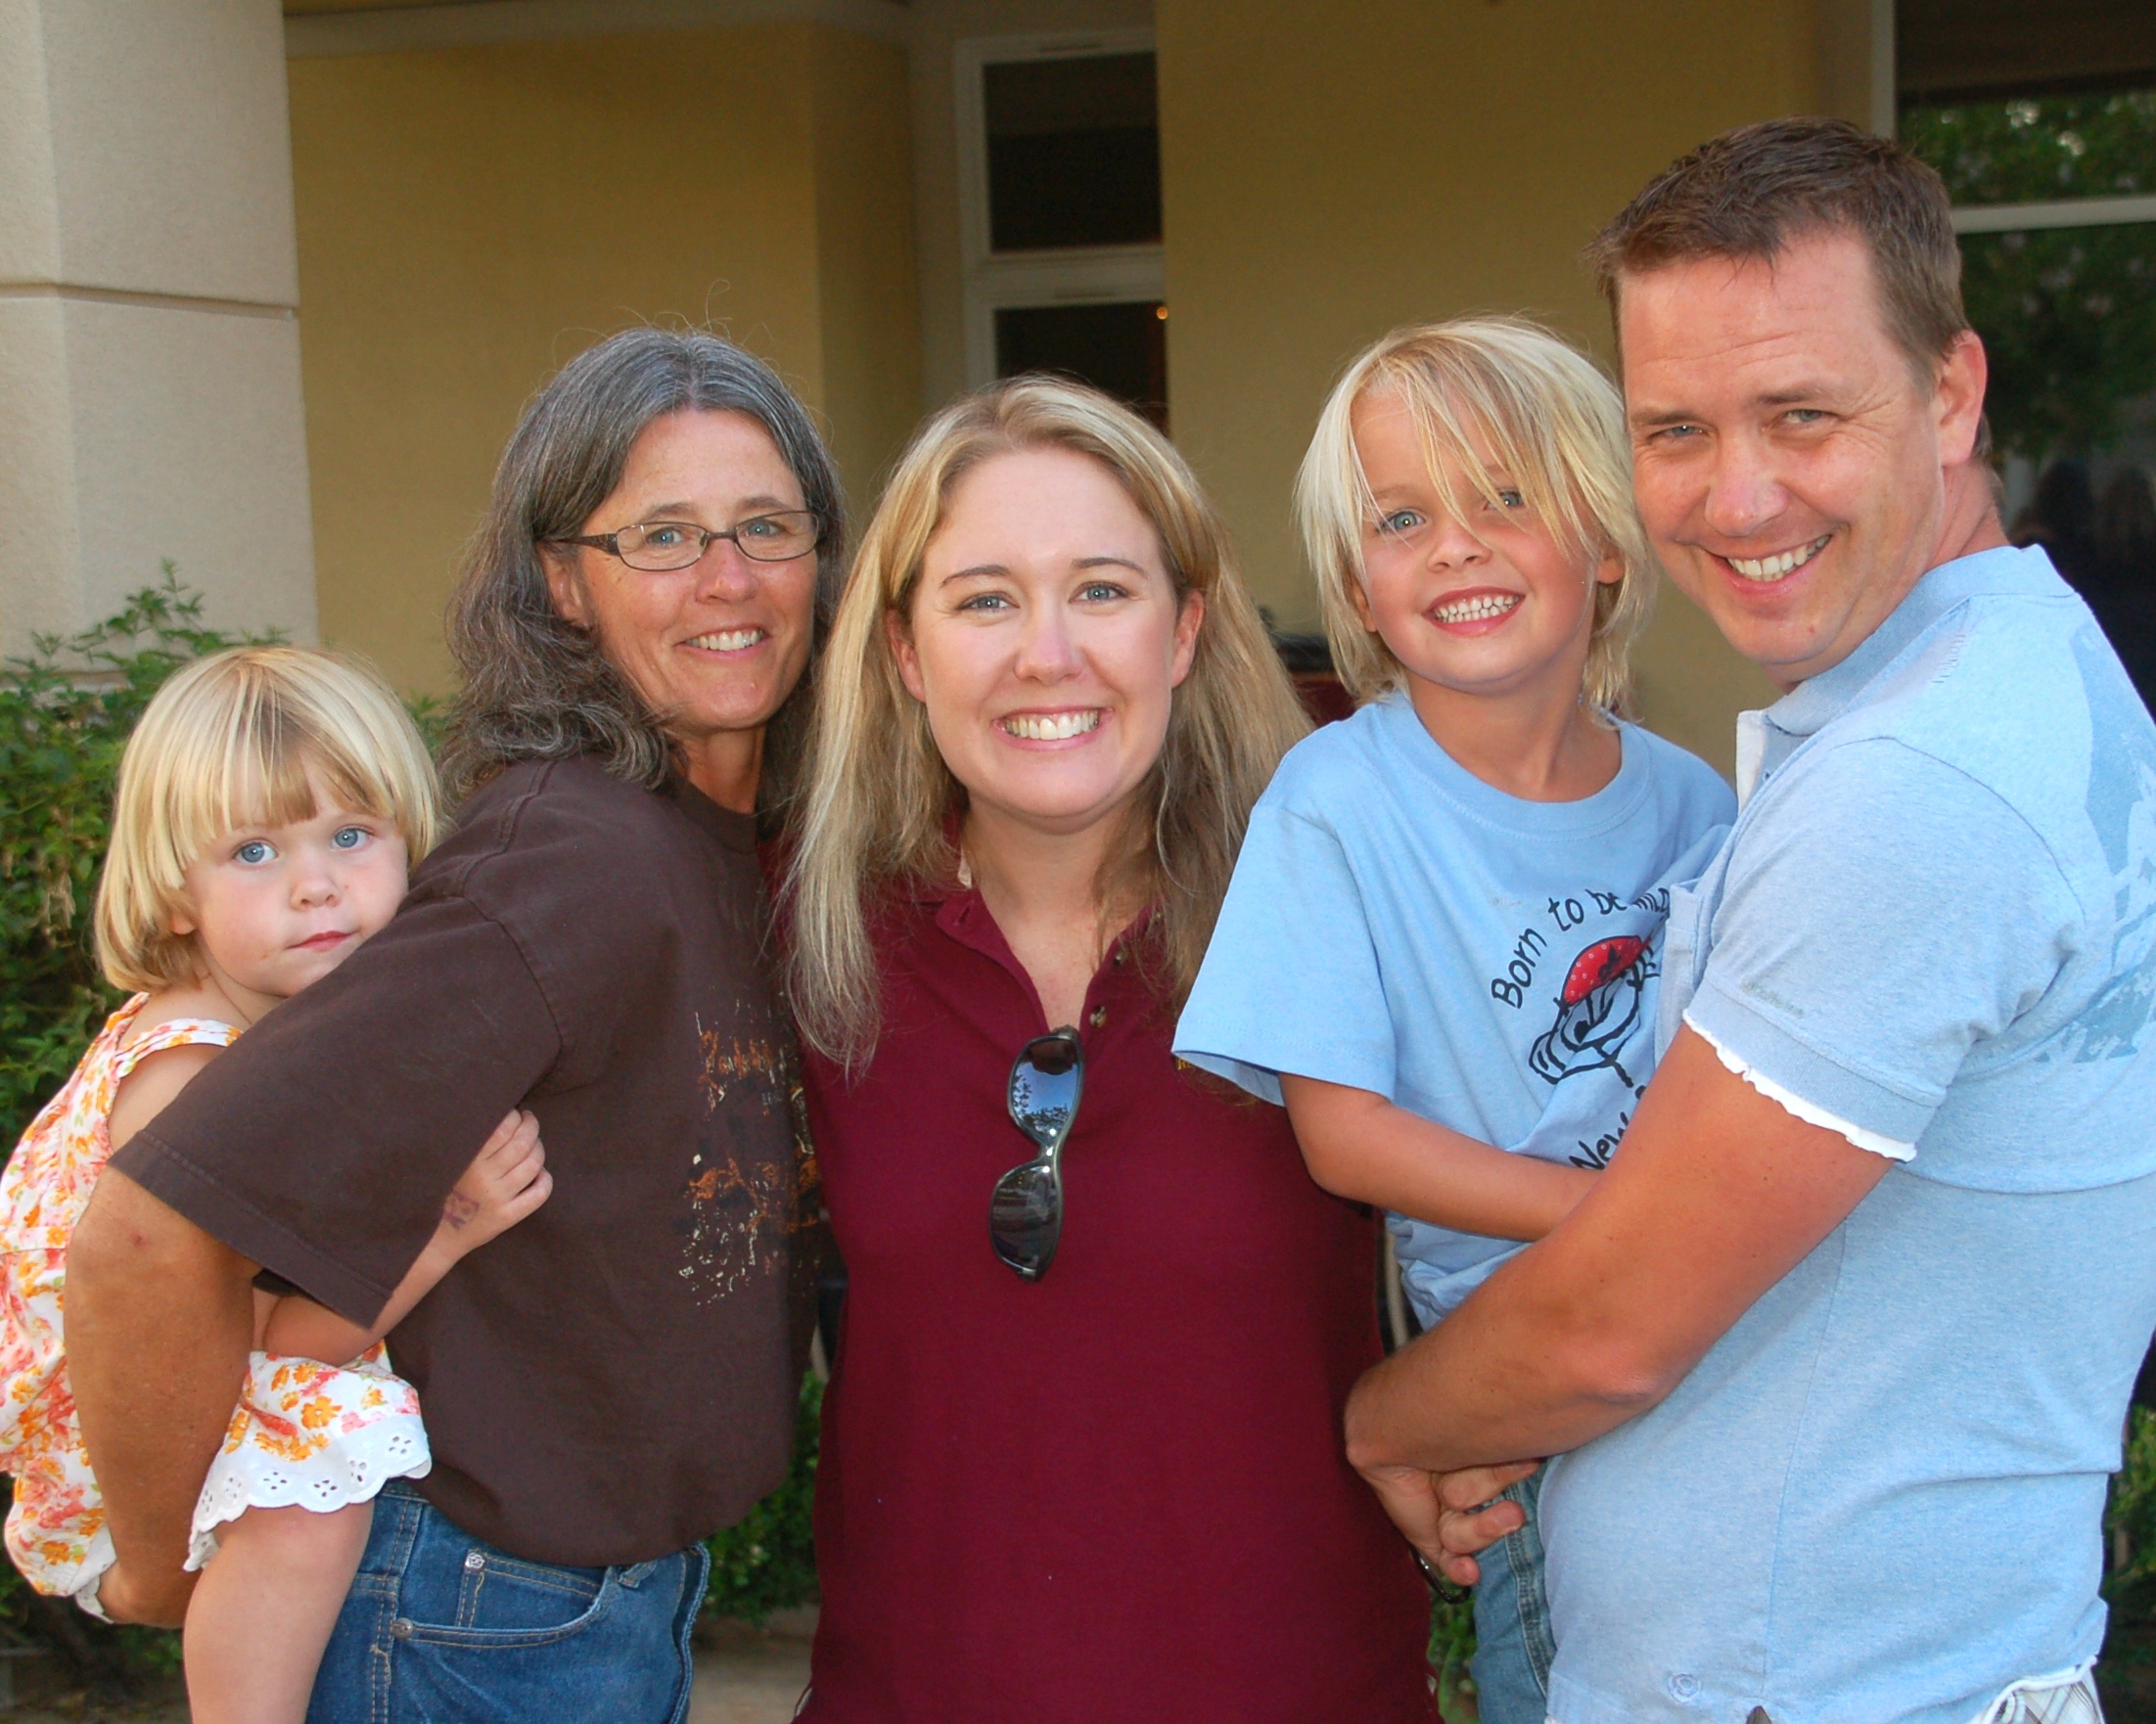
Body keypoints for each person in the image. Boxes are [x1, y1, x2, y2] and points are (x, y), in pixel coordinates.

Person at [1345, 117, 2156, 1724]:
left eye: (1800, 415)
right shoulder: (1979, 682)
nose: (1734, 495)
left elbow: (1612, 1325)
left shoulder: (1918, 779)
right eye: (1674, 429)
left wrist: (1386, 1421)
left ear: (1949, 395)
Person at [63, 328, 839, 1724]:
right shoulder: (566, 864)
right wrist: (161, 1556)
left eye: (765, 527)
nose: (727, 578)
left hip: (592, 1598)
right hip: (469, 1616)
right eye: (662, 536)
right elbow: (143, 1235)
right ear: (562, 581)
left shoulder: (721, 838)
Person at [783, 376, 1433, 1721]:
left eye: (1099, 589)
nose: (1047, 653)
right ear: (903, 651)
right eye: (982, 599)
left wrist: (1459, 1412)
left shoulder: (1338, 905)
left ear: (1184, 628)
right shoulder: (807, 936)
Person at [1172, 318, 1731, 1724]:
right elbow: (1345, 1137)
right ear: (1358, 587)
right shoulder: (1334, 801)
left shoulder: (1696, 805)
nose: (1454, 546)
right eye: (1400, 518)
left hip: (1714, 1344)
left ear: (1605, 541)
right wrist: (1613, 1220)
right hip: (1524, 1385)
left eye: (1504, 495)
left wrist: (1678, 1243)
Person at [0, 647, 551, 1724]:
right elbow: (277, 1350)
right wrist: (451, 1229)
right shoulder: (202, 1085)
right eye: (254, 850)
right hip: (116, 1463)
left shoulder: (262, 1030)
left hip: (155, 1426)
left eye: (351, 835)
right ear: (174, 897)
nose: (315, 884)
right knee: (318, 1481)